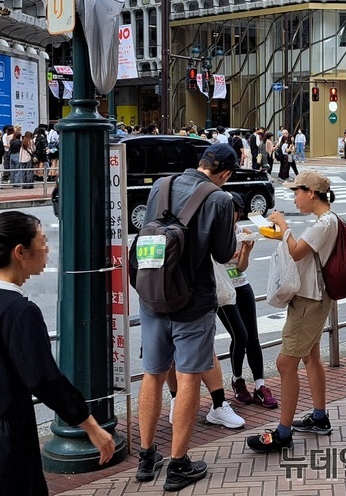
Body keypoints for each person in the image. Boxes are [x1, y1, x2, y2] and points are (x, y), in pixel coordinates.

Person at [0, 212, 115, 495]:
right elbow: (44, 379)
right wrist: (90, 425)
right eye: (41, 240)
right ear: (20, 252)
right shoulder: (20, 312)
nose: (47, 248)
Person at [135, 144, 238, 490]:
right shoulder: (220, 200)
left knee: (152, 375)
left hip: (152, 296)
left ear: (201, 163)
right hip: (192, 303)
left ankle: (147, 457)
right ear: (225, 173)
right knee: (189, 377)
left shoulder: (160, 185)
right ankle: (178, 463)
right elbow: (224, 254)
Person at [247, 170, 339, 453]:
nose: (294, 197)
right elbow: (301, 249)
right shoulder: (326, 221)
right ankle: (319, 417)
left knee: (286, 364)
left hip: (309, 299)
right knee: (311, 356)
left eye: (297, 192)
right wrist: (283, 235)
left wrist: (283, 227)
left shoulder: (324, 224)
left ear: (312, 193)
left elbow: (297, 252)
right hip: (314, 296)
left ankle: (283, 432)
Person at [216, 193, 278, 408]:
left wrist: (246, 250)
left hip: (242, 286)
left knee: (252, 336)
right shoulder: (214, 234)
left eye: (231, 210)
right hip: (223, 292)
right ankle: (237, 380)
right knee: (239, 335)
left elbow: (241, 267)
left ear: (237, 213)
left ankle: (260, 385)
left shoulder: (243, 232)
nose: (228, 214)